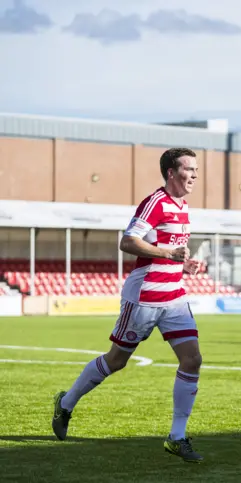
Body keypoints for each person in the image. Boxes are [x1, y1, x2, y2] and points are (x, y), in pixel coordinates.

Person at [51, 148, 205, 463]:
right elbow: (127, 241)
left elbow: (171, 250)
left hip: (174, 295)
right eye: (189, 169)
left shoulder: (184, 207)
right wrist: (166, 254)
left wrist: (184, 265)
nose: (194, 175)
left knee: (192, 360)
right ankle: (66, 403)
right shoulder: (154, 202)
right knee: (116, 361)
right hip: (145, 296)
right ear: (171, 172)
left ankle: (176, 437)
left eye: (196, 170)